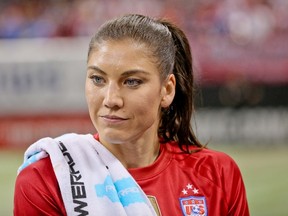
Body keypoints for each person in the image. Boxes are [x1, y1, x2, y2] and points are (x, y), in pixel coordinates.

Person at [14, 14, 249, 216]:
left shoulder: (217, 173)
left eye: (132, 81)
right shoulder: (47, 177)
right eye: (98, 79)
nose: (111, 100)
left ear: (166, 90)